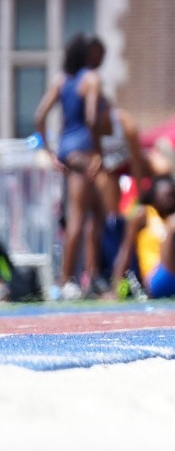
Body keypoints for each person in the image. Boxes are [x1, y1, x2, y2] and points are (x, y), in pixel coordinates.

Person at [33, 35, 107, 298]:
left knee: (98, 213)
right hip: (83, 152)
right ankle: (64, 281)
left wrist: (49, 151)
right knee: (78, 217)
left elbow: (39, 116)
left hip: (65, 148)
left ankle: (90, 274)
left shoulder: (62, 80)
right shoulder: (91, 79)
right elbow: (90, 117)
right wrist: (98, 152)